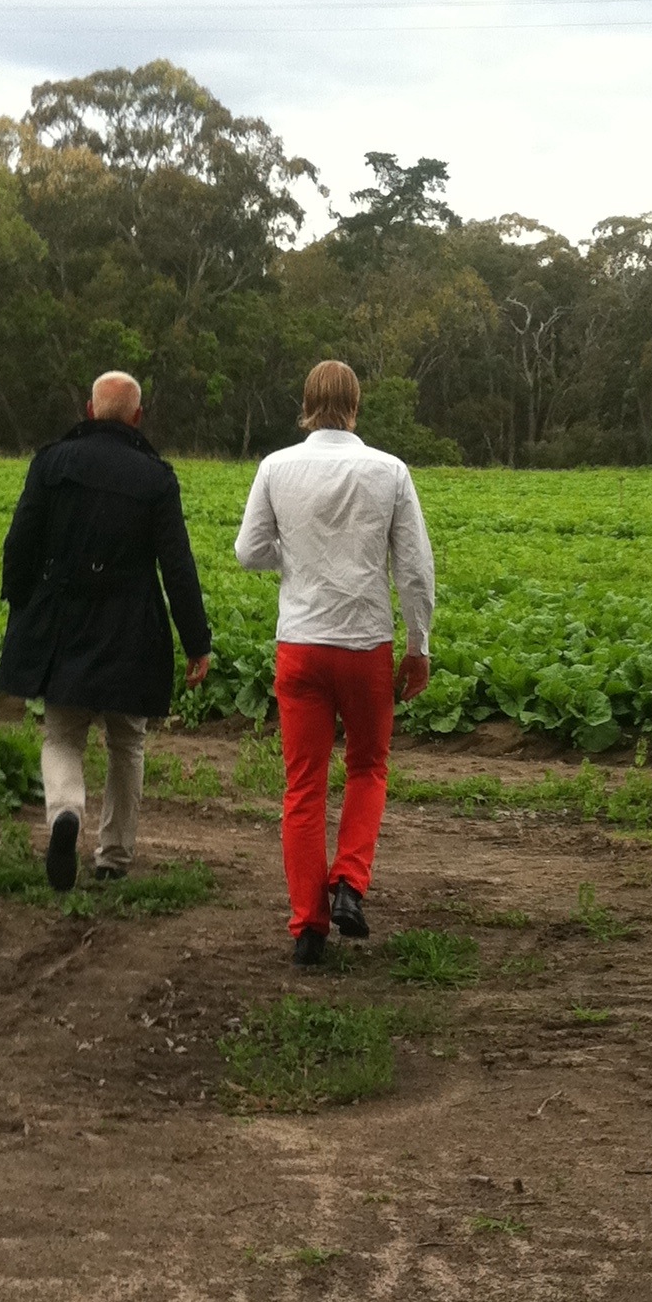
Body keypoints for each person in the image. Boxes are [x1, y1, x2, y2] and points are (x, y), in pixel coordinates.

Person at [234, 358, 436, 966]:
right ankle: (349, 881)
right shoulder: (389, 470)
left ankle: (308, 930)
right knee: (368, 766)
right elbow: (415, 569)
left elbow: (248, 551)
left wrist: (296, 560)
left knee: (303, 788)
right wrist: (419, 645)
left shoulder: (276, 467)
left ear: (306, 403)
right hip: (365, 645)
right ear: (356, 404)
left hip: (300, 645)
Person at [0, 371, 212, 890]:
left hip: (62, 619)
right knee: (127, 741)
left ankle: (65, 812)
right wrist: (196, 640)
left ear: (90, 410)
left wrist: (21, 603)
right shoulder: (156, 477)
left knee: (62, 734)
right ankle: (113, 856)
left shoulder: (51, 462)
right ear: (138, 417)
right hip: (131, 624)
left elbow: (20, 540)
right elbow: (176, 565)